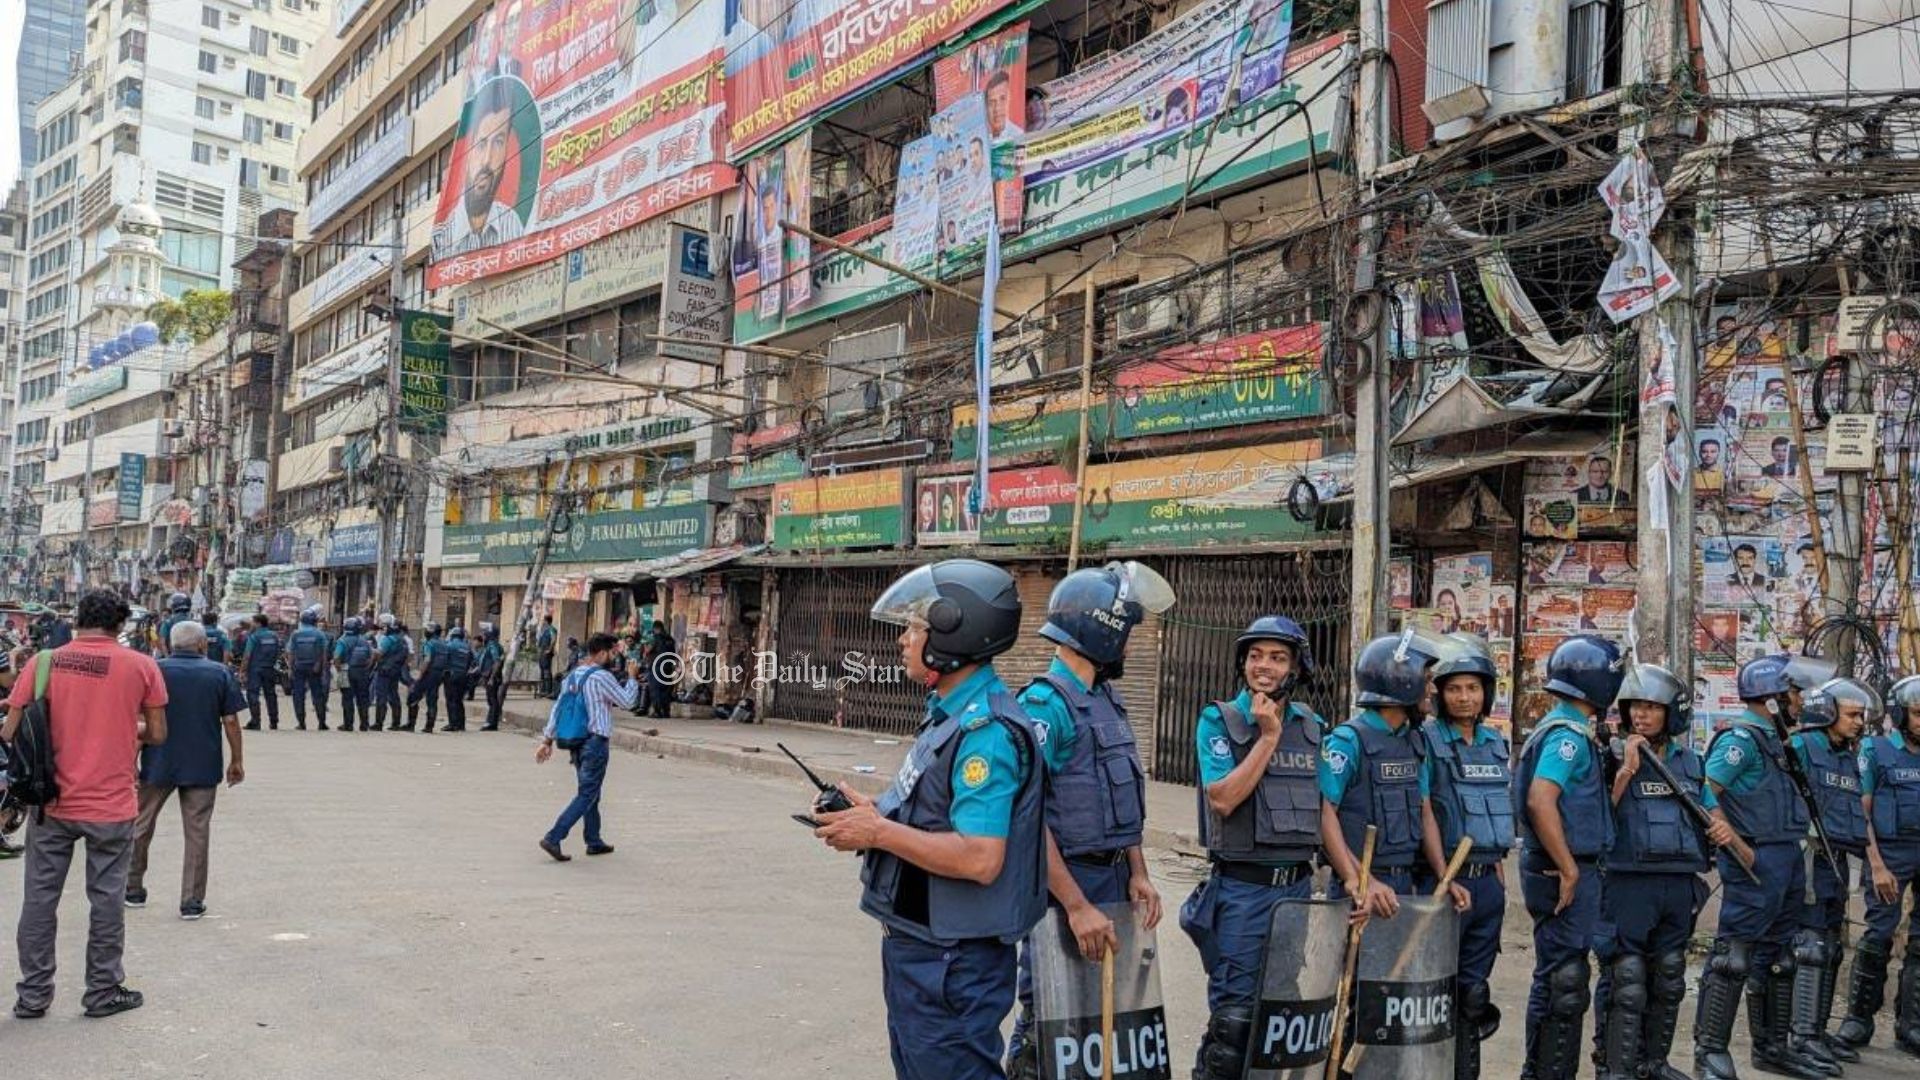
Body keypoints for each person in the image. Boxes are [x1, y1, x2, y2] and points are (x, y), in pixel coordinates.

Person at [811, 559, 1045, 1080]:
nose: (904, 639)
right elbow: (932, 816)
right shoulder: (949, 714)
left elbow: (982, 858)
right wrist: (871, 813)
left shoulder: (986, 732)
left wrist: (877, 831)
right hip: (923, 951)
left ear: (953, 632)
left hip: (952, 963)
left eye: (916, 627)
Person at [1002, 563, 1170, 1079]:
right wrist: (1075, 906)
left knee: (1106, 1024)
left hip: (1113, 880)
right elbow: (1024, 817)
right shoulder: (1045, 705)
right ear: (1104, 633)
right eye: (1126, 634)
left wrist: (1138, 870)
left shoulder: (1105, 698)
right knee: (1050, 1021)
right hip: (1065, 887)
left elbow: (1122, 795)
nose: (1127, 647)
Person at [4, 589, 167, 1020]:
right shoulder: (141, 666)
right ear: (119, 624)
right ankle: (102, 992)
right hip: (111, 806)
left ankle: (33, 997)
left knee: (40, 899)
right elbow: (157, 733)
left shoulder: (43, 662)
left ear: (77, 620)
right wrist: (121, 728)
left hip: (51, 803)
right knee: (107, 899)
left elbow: (10, 731)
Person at [1180, 615, 1326, 1080]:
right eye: (1256, 656)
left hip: (1296, 892)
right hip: (1242, 892)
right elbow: (1222, 798)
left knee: (1280, 1015)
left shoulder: (1312, 726)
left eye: (1278, 658)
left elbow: (1326, 811)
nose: (1265, 666)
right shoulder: (1218, 720)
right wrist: (1267, 738)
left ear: (1296, 669)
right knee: (1234, 1025)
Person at [1697, 653, 1836, 1080]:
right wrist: (1736, 844)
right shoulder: (1740, 740)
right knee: (1733, 957)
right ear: (1773, 697)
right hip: (1756, 860)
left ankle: (1772, 1047)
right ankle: (1711, 1053)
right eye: (1793, 692)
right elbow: (1704, 790)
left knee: (1780, 956)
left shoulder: (1777, 740)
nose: (1799, 701)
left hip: (1785, 856)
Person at [1596, 662, 1733, 1080]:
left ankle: (1653, 1063)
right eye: (1635, 706)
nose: (1641, 715)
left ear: (1672, 713)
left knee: (1670, 974)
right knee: (1627, 977)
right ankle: (1615, 1067)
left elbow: (1709, 806)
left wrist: (1722, 824)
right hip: (1628, 881)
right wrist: (1626, 771)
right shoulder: (1611, 754)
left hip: (1678, 883)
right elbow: (1600, 817)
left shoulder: (1690, 762)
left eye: (1652, 707)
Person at [1514, 634, 1624, 1080]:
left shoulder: (1575, 730)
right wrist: (1568, 867)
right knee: (1563, 982)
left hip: (1571, 866)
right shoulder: (1567, 737)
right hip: (1560, 870)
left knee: (1564, 976)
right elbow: (1542, 801)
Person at [1321, 631, 1469, 917]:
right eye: (1426, 680)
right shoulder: (1348, 741)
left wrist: (1443, 876)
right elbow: (1323, 815)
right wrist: (1365, 882)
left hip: (1403, 885)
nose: (1434, 690)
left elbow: (1424, 812)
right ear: (1401, 681)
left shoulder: (1414, 741)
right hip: (1360, 890)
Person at [1422, 633, 1513, 1079]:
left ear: (1486, 693)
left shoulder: (1496, 744)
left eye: (1473, 688)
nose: (1464, 697)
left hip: (1487, 887)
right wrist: (1443, 875)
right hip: (1446, 886)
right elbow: (1425, 812)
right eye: (1454, 688)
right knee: (1433, 992)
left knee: (1472, 994)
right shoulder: (1427, 742)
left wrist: (1497, 875)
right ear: (1438, 692)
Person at [126, 621, 244, 921]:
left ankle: (132, 888)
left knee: (140, 825)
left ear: (168, 643)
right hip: (202, 763)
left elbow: (138, 718)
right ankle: (191, 901)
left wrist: (131, 758)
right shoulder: (219, 672)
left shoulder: (154, 670)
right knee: (197, 831)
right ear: (203, 645)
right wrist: (236, 760)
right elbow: (230, 720)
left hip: (158, 760)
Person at [1788, 678, 1875, 1071]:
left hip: (1838, 861)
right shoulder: (1804, 747)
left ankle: (1818, 1031)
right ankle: (1801, 1034)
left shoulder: (1846, 755)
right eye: (1853, 714)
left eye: (1862, 716)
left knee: (1831, 947)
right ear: (1827, 712)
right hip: (1809, 859)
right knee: (1809, 948)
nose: (1859, 722)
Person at [1838, 675, 1920, 1054]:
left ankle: (1912, 1025)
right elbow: (1862, 810)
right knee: (1878, 937)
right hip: (1890, 855)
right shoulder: (1876, 750)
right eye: (1918, 714)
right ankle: (1858, 1019)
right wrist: (1877, 864)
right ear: (1902, 714)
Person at [534, 633, 640, 861]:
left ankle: (593, 840)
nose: (614, 657)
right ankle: (554, 837)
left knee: (591, 791)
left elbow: (558, 709)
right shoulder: (602, 677)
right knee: (587, 793)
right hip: (595, 742)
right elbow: (628, 702)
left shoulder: (573, 676)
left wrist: (547, 740)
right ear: (601, 653)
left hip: (576, 742)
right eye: (612, 653)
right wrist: (632, 679)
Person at [436, 79, 526, 257]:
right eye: (481, 144)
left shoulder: (513, 225)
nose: (487, 159)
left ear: (507, 150)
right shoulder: (441, 240)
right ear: (468, 151)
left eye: (498, 143)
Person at [285, 606, 332, 732]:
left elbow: (290, 652)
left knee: (298, 696)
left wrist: (290, 668)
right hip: (314, 668)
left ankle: (301, 723)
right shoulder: (319, 634)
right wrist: (321, 666)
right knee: (318, 695)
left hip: (298, 667)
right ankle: (322, 723)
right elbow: (324, 652)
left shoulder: (296, 634)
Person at [237, 613, 282, 732]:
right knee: (270, 694)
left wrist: (242, 671)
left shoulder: (254, 637)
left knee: (252, 694)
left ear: (258, 623)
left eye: (253, 622)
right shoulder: (274, 636)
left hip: (255, 669)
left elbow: (247, 655)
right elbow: (278, 652)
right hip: (269, 668)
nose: (251, 624)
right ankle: (274, 721)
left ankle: (255, 721)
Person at [332, 616, 374, 732]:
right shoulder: (364, 640)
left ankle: (348, 724)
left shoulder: (342, 640)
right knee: (363, 699)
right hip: (362, 672)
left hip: (346, 671)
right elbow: (371, 656)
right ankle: (364, 724)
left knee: (347, 698)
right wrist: (366, 667)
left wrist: (339, 669)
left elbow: (336, 657)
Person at [407, 623, 448, 733]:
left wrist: (420, 675)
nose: (426, 632)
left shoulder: (429, 644)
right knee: (432, 699)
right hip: (439, 675)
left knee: (413, 696)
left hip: (429, 673)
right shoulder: (444, 644)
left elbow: (427, 659)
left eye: (428, 630)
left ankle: (411, 724)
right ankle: (429, 726)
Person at [370, 614, 407, 732]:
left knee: (381, 696)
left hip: (384, 671)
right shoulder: (402, 640)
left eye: (384, 627)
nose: (382, 629)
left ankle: (379, 723)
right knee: (394, 696)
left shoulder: (387, 640)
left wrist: (371, 649)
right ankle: (396, 723)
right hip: (395, 671)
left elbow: (379, 654)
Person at [440, 625, 475, 733]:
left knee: (451, 700)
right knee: (459, 700)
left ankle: (453, 724)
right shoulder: (467, 647)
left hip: (451, 675)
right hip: (463, 676)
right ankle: (461, 724)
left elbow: (444, 660)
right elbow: (472, 661)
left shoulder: (449, 645)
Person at [476, 624, 506, 731]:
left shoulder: (493, 645)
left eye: (484, 633)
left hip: (492, 676)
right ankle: (492, 722)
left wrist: (492, 678)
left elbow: (497, 661)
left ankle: (491, 722)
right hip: (489, 676)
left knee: (492, 699)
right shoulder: (491, 645)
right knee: (492, 699)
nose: (483, 636)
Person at [645, 620, 676, 719]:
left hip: (656, 667)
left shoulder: (655, 639)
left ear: (656, 629)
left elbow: (648, 650)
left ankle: (658, 711)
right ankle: (666, 711)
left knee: (655, 689)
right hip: (668, 668)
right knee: (666, 690)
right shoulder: (670, 639)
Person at [156, 593, 191, 659]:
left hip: (172, 656)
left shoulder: (168, 622)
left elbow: (162, 643)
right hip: (190, 658)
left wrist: (167, 658)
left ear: (173, 606)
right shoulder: (193, 622)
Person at [536, 615, 557, 697]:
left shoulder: (551, 629)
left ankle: (548, 690)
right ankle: (542, 690)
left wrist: (549, 649)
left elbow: (553, 639)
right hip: (542, 652)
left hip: (546, 652)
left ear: (546, 621)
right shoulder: (544, 629)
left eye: (543, 620)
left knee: (546, 671)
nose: (542, 622)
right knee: (542, 671)